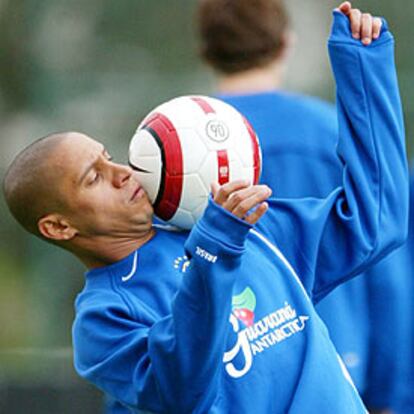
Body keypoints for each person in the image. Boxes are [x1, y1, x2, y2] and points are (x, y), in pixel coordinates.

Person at [3, 3, 408, 413]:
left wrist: (364, 72)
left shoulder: (242, 232)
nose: (121, 171)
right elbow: (182, 390)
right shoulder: (103, 322)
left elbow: (377, 223)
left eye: (109, 157)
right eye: (93, 177)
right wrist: (215, 252)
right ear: (57, 227)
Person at [197, 0, 410, 412]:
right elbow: (386, 268)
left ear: (206, 51)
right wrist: (394, 393)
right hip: (340, 368)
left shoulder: (176, 148)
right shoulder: (334, 130)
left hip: (233, 377)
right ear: (285, 44)